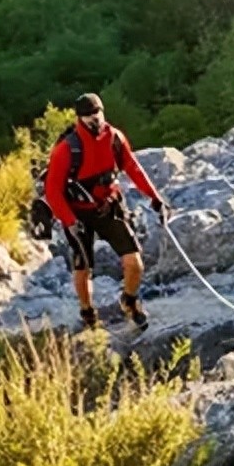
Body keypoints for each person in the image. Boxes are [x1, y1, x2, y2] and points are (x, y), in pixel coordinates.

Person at [44, 93, 168, 332]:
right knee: (83, 269)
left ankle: (129, 302)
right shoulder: (66, 149)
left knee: (135, 263)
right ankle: (88, 312)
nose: (95, 119)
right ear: (79, 118)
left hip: (109, 206)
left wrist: (155, 197)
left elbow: (132, 167)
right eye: (89, 115)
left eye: (97, 113)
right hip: (78, 214)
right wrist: (69, 221)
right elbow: (53, 191)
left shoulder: (114, 139)